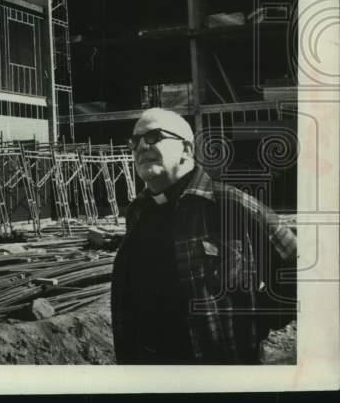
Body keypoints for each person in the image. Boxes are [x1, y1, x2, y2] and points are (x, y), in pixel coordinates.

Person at [111, 108, 297, 364]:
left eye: (153, 136)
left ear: (186, 149)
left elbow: (300, 267)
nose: (141, 146)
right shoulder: (138, 212)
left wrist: (259, 320)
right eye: (135, 141)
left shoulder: (230, 205)